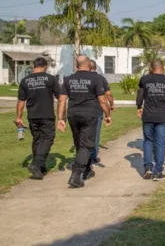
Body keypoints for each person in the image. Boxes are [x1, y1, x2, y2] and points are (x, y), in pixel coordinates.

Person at [57, 55, 112, 188]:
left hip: (73, 115)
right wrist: (107, 114)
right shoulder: (96, 78)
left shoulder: (68, 79)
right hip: (90, 115)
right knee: (86, 144)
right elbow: (102, 99)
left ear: (76, 65)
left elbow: (62, 100)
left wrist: (60, 119)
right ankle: (76, 174)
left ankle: (87, 170)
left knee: (79, 144)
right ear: (89, 65)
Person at [136, 59, 165, 181]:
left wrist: (139, 107)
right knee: (160, 144)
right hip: (163, 117)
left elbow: (140, 95)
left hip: (148, 116)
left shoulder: (145, 79)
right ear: (163, 68)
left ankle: (147, 168)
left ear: (151, 68)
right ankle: (157, 172)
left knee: (147, 141)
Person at [16, 57, 60, 180]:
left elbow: (21, 101)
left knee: (37, 139)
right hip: (47, 115)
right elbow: (60, 97)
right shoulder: (51, 79)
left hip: (32, 115)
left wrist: (18, 117)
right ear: (45, 66)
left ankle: (39, 168)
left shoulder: (25, 81)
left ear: (34, 66)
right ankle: (36, 163)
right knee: (48, 138)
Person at [89, 60, 114, 164]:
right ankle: (93, 155)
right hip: (96, 110)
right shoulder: (100, 78)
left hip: (81, 111)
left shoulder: (80, 78)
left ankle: (83, 154)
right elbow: (108, 94)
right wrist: (111, 104)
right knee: (95, 134)